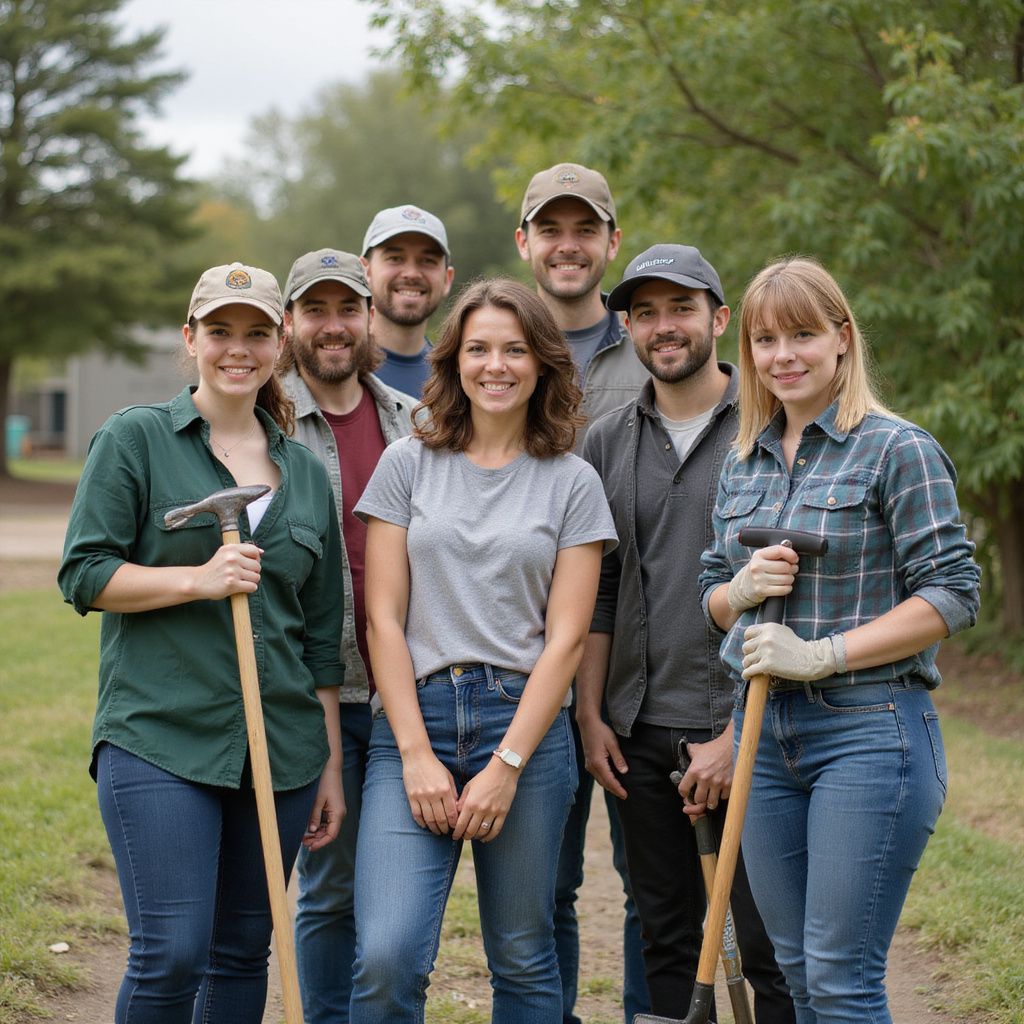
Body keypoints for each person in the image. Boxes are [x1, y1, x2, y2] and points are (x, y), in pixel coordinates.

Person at [58, 262, 346, 1024]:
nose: (237, 349)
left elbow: (321, 640)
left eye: (256, 332)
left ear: (281, 345)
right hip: (160, 736)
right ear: (191, 339)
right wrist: (197, 580)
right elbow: (84, 574)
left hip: (281, 747)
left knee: (244, 952)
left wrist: (328, 766)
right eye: (220, 331)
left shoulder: (307, 475)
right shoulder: (136, 440)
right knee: (172, 952)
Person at [699, 257, 981, 1023]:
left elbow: (954, 592)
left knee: (840, 978)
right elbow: (711, 598)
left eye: (802, 334)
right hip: (766, 737)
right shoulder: (742, 460)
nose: (782, 355)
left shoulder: (897, 449)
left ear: (842, 339)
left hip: (869, 731)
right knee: (791, 973)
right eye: (764, 339)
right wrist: (740, 591)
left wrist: (826, 653)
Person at [348, 278, 617, 1024]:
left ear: (542, 363)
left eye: (514, 349)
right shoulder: (407, 463)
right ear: (454, 361)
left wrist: (507, 767)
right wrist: (411, 753)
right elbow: (383, 618)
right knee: (387, 955)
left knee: (526, 957)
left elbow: (566, 639)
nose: (495, 365)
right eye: (478, 349)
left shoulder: (573, 482)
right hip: (415, 719)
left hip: (524, 728)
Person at [578, 244, 795, 1021]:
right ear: (627, 327)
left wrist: (737, 732)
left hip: (753, 722)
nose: (663, 327)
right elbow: (600, 586)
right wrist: (589, 711)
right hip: (639, 729)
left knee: (768, 944)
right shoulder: (604, 441)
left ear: (719, 317)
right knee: (665, 934)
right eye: (645, 313)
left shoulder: (774, 424)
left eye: (681, 308)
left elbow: (796, 594)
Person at [516, 161, 649, 1022]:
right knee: (546, 892)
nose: (569, 246)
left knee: (654, 885)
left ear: (611, 241)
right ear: (524, 242)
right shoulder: (499, 351)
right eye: (550, 229)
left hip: (645, 670)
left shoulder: (654, 350)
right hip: (527, 669)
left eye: (585, 229)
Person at [279, 249, 417, 1024]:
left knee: (398, 897)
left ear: (371, 318)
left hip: (402, 693)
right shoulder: (266, 422)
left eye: (347, 310)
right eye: (315, 311)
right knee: (328, 888)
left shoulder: (415, 420)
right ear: (292, 323)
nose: (333, 328)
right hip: (308, 696)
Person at [360, 203, 455, 396]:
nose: (411, 274)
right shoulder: (336, 371)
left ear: (447, 279)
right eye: (395, 258)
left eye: (427, 261)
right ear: (365, 271)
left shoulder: (457, 379)